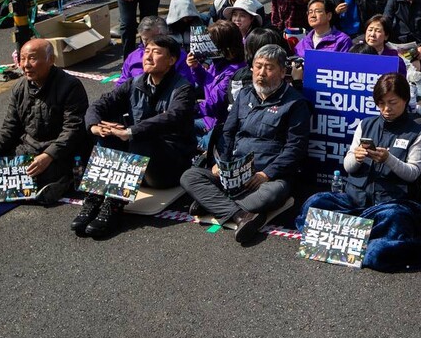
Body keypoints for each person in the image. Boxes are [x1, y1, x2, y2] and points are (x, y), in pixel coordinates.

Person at [296, 73, 421, 271]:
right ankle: (359, 238)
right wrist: (356, 157)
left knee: (396, 219)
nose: (386, 109)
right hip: (355, 201)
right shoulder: (366, 124)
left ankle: (349, 238)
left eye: (393, 102)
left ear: (404, 99)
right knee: (315, 202)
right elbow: (348, 167)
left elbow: (413, 173)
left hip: (388, 204)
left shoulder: (416, 131)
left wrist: (389, 159)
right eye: (382, 103)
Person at [180, 45, 311, 244]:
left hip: (266, 177)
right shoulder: (244, 95)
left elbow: (295, 148)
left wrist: (266, 174)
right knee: (190, 176)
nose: (261, 73)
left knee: (272, 194)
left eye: (269, 67)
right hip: (234, 172)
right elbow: (228, 133)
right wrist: (222, 163)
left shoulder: (295, 104)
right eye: (258, 66)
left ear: (283, 72)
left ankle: (213, 203)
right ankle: (240, 215)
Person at [74, 35, 197, 237]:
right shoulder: (134, 83)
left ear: (172, 60)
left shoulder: (183, 89)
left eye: (156, 52)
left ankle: (114, 206)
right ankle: (94, 199)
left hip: (170, 166)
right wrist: (95, 126)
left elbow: (172, 117)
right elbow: (100, 104)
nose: (148, 57)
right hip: (139, 162)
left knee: (140, 135)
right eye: (147, 51)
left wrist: (130, 131)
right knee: (107, 132)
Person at [0, 39, 90, 207]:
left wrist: (48, 155)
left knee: (45, 169)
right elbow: (10, 127)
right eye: (22, 59)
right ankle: (16, 184)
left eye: (32, 58)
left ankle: (57, 182)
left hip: (58, 152)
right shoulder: (19, 87)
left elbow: (73, 130)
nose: (26, 65)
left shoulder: (70, 86)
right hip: (27, 149)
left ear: (51, 60)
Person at [186, 20, 247, 151]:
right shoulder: (218, 63)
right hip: (209, 120)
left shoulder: (234, 72)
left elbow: (213, 104)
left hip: (221, 125)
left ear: (224, 47)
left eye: (210, 42)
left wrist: (187, 108)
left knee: (190, 142)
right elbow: (206, 81)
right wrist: (196, 67)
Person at [117, 16, 195, 88]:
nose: (150, 44)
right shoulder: (133, 57)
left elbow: (185, 86)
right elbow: (121, 85)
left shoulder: (179, 56)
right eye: (145, 40)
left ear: (165, 35)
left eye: (155, 39)